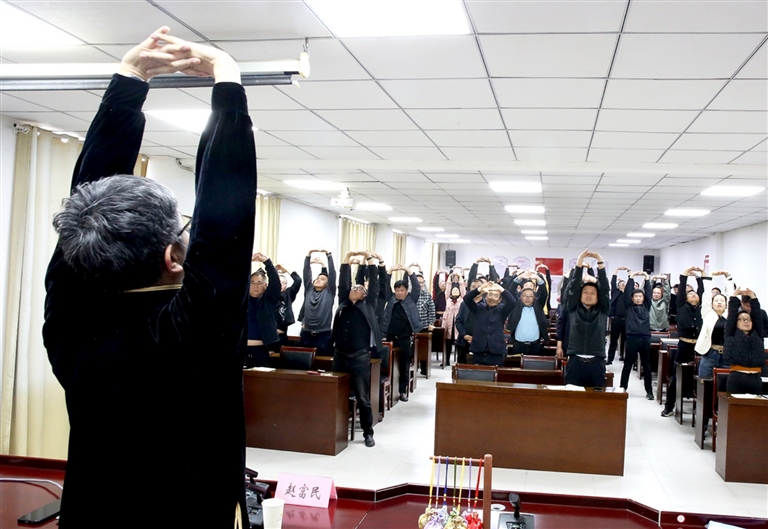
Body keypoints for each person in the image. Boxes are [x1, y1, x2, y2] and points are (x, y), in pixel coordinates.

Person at [43, 28, 254, 527]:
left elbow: (88, 206)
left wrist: (130, 79)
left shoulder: (71, 324)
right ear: (172, 256)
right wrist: (224, 80)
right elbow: (225, 218)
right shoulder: (191, 328)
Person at [331, 251, 385, 447]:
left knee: (362, 397)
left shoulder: (368, 305)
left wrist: (370, 260)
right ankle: (336, 428)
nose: (354, 289)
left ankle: (368, 433)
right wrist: (346, 259)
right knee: (337, 393)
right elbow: (343, 282)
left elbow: (375, 285)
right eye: (353, 287)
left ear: (364, 294)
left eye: (359, 288)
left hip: (360, 357)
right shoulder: (344, 304)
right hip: (340, 356)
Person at [560, 250, 610, 388]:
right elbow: (574, 287)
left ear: (598, 297)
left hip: (597, 362)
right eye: (585, 292)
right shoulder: (573, 308)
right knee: (572, 396)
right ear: (580, 295)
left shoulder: (603, 310)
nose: (589, 295)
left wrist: (600, 261)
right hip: (575, 362)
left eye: (593, 293)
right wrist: (580, 260)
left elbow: (604, 289)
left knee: (597, 398)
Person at [661, 266, 704, 417]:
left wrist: (700, 276)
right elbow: (682, 288)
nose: (693, 295)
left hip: (700, 346)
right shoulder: (681, 306)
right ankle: (669, 407)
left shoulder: (703, 308)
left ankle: (700, 409)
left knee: (701, 377)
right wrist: (685, 274)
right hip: (684, 345)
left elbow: (702, 290)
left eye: (695, 293)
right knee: (676, 376)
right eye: (689, 293)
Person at [381, 264, 423, 402]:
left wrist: (409, 271)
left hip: (404, 337)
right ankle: (388, 390)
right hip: (390, 336)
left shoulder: (411, 299)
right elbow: (385, 285)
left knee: (404, 365)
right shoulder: (391, 298)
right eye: (397, 290)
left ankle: (402, 391)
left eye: (402, 290)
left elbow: (416, 287)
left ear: (406, 291)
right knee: (388, 364)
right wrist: (389, 272)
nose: (399, 293)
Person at [463, 282, 515, 366]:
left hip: (496, 351)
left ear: (499, 300)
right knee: (477, 373)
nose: (492, 298)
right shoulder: (478, 308)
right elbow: (467, 299)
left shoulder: (502, 310)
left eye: (496, 295)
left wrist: (501, 289)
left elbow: (512, 302)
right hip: (479, 350)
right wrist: (480, 289)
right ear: (486, 297)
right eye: (490, 295)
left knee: (496, 373)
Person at [620, 272, 654, 399]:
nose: (638, 298)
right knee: (627, 364)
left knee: (647, 366)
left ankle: (649, 391)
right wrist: (631, 278)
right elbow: (627, 293)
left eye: (640, 296)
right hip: (632, 337)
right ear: (632, 298)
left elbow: (649, 293)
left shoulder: (647, 305)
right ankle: (622, 388)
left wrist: (647, 278)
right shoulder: (628, 306)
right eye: (636, 296)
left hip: (645, 338)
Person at [724, 288, 764, 394]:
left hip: (755, 378)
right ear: (736, 322)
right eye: (742, 319)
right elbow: (732, 315)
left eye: (748, 319)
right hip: (737, 378)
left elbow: (757, 316)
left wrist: (753, 297)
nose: (746, 322)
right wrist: (734, 296)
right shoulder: (731, 333)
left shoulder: (757, 334)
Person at [695, 270, 734, 378]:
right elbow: (706, 296)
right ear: (712, 304)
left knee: (725, 384)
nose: (719, 302)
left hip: (727, 355)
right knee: (705, 381)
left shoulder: (730, 315)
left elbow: (731, 297)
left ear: (726, 304)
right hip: (710, 354)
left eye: (722, 300)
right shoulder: (707, 313)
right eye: (716, 300)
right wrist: (710, 277)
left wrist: (728, 277)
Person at [246, 253, 281, 367]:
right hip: (240, 349)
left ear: (265, 285)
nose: (255, 286)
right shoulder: (241, 299)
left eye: (259, 283)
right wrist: (247, 261)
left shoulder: (268, 299)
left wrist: (267, 262)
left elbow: (275, 283)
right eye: (252, 282)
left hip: (261, 349)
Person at [299, 249, 336, 356]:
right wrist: (308, 254)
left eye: (323, 279)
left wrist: (329, 255)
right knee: (304, 362)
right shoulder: (309, 289)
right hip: (306, 333)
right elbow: (306, 272)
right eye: (317, 278)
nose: (318, 280)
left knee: (323, 363)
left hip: (323, 335)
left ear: (327, 284)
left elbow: (332, 274)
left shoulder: (329, 292)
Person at [506, 270, 549, 356]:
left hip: (535, 345)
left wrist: (538, 278)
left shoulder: (538, 306)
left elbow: (544, 293)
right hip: (518, 345)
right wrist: (519, 278)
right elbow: (511, 291)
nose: (527, 298)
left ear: (534, 298)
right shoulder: (516, 306)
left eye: (530, 296)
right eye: (525, 296)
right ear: (520, 297)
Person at [273, 262, 302, 349]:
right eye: (279, 282)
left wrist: (285, 269)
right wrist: (272, 270)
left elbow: (298, 280)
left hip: (281, 337)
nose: (281, 284)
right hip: (266, 337)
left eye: (284, 283)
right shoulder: (267, 294)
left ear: (286, 286)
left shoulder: (288, 294)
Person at [455, 278, 483, 364]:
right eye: (473, 287)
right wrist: (464, 335)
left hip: (481, 342)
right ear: (470, 288)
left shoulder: (486, 305)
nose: (476, 289)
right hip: (464, 341)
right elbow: (458, 321)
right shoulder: (464, 304)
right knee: (462, 366)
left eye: (478, 287)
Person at [441, 271, 466, 364]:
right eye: (453, 290)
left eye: (457, 290)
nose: (455, 291)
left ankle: (459, 361)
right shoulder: (447, 299)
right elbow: (448, 287)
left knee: (458, 342)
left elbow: (462, 287)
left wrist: (460, 277)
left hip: (457, 323)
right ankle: (446, 361)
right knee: (447, 342)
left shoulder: (462, 299)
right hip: (448, 323)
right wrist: (450, 276)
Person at [608, 266, 629, 364]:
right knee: (613, 340)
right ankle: (610, 359)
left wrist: (629, 272)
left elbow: (631, 283)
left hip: (627, 320)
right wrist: (616, 270)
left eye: (624, 284)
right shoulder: (615, 293)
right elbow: (612, 283)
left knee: (626, 340)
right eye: (621, 284)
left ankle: (624, 357)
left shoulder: (629, 294)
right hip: (617, 319)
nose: (623, 285)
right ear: (618, 286)